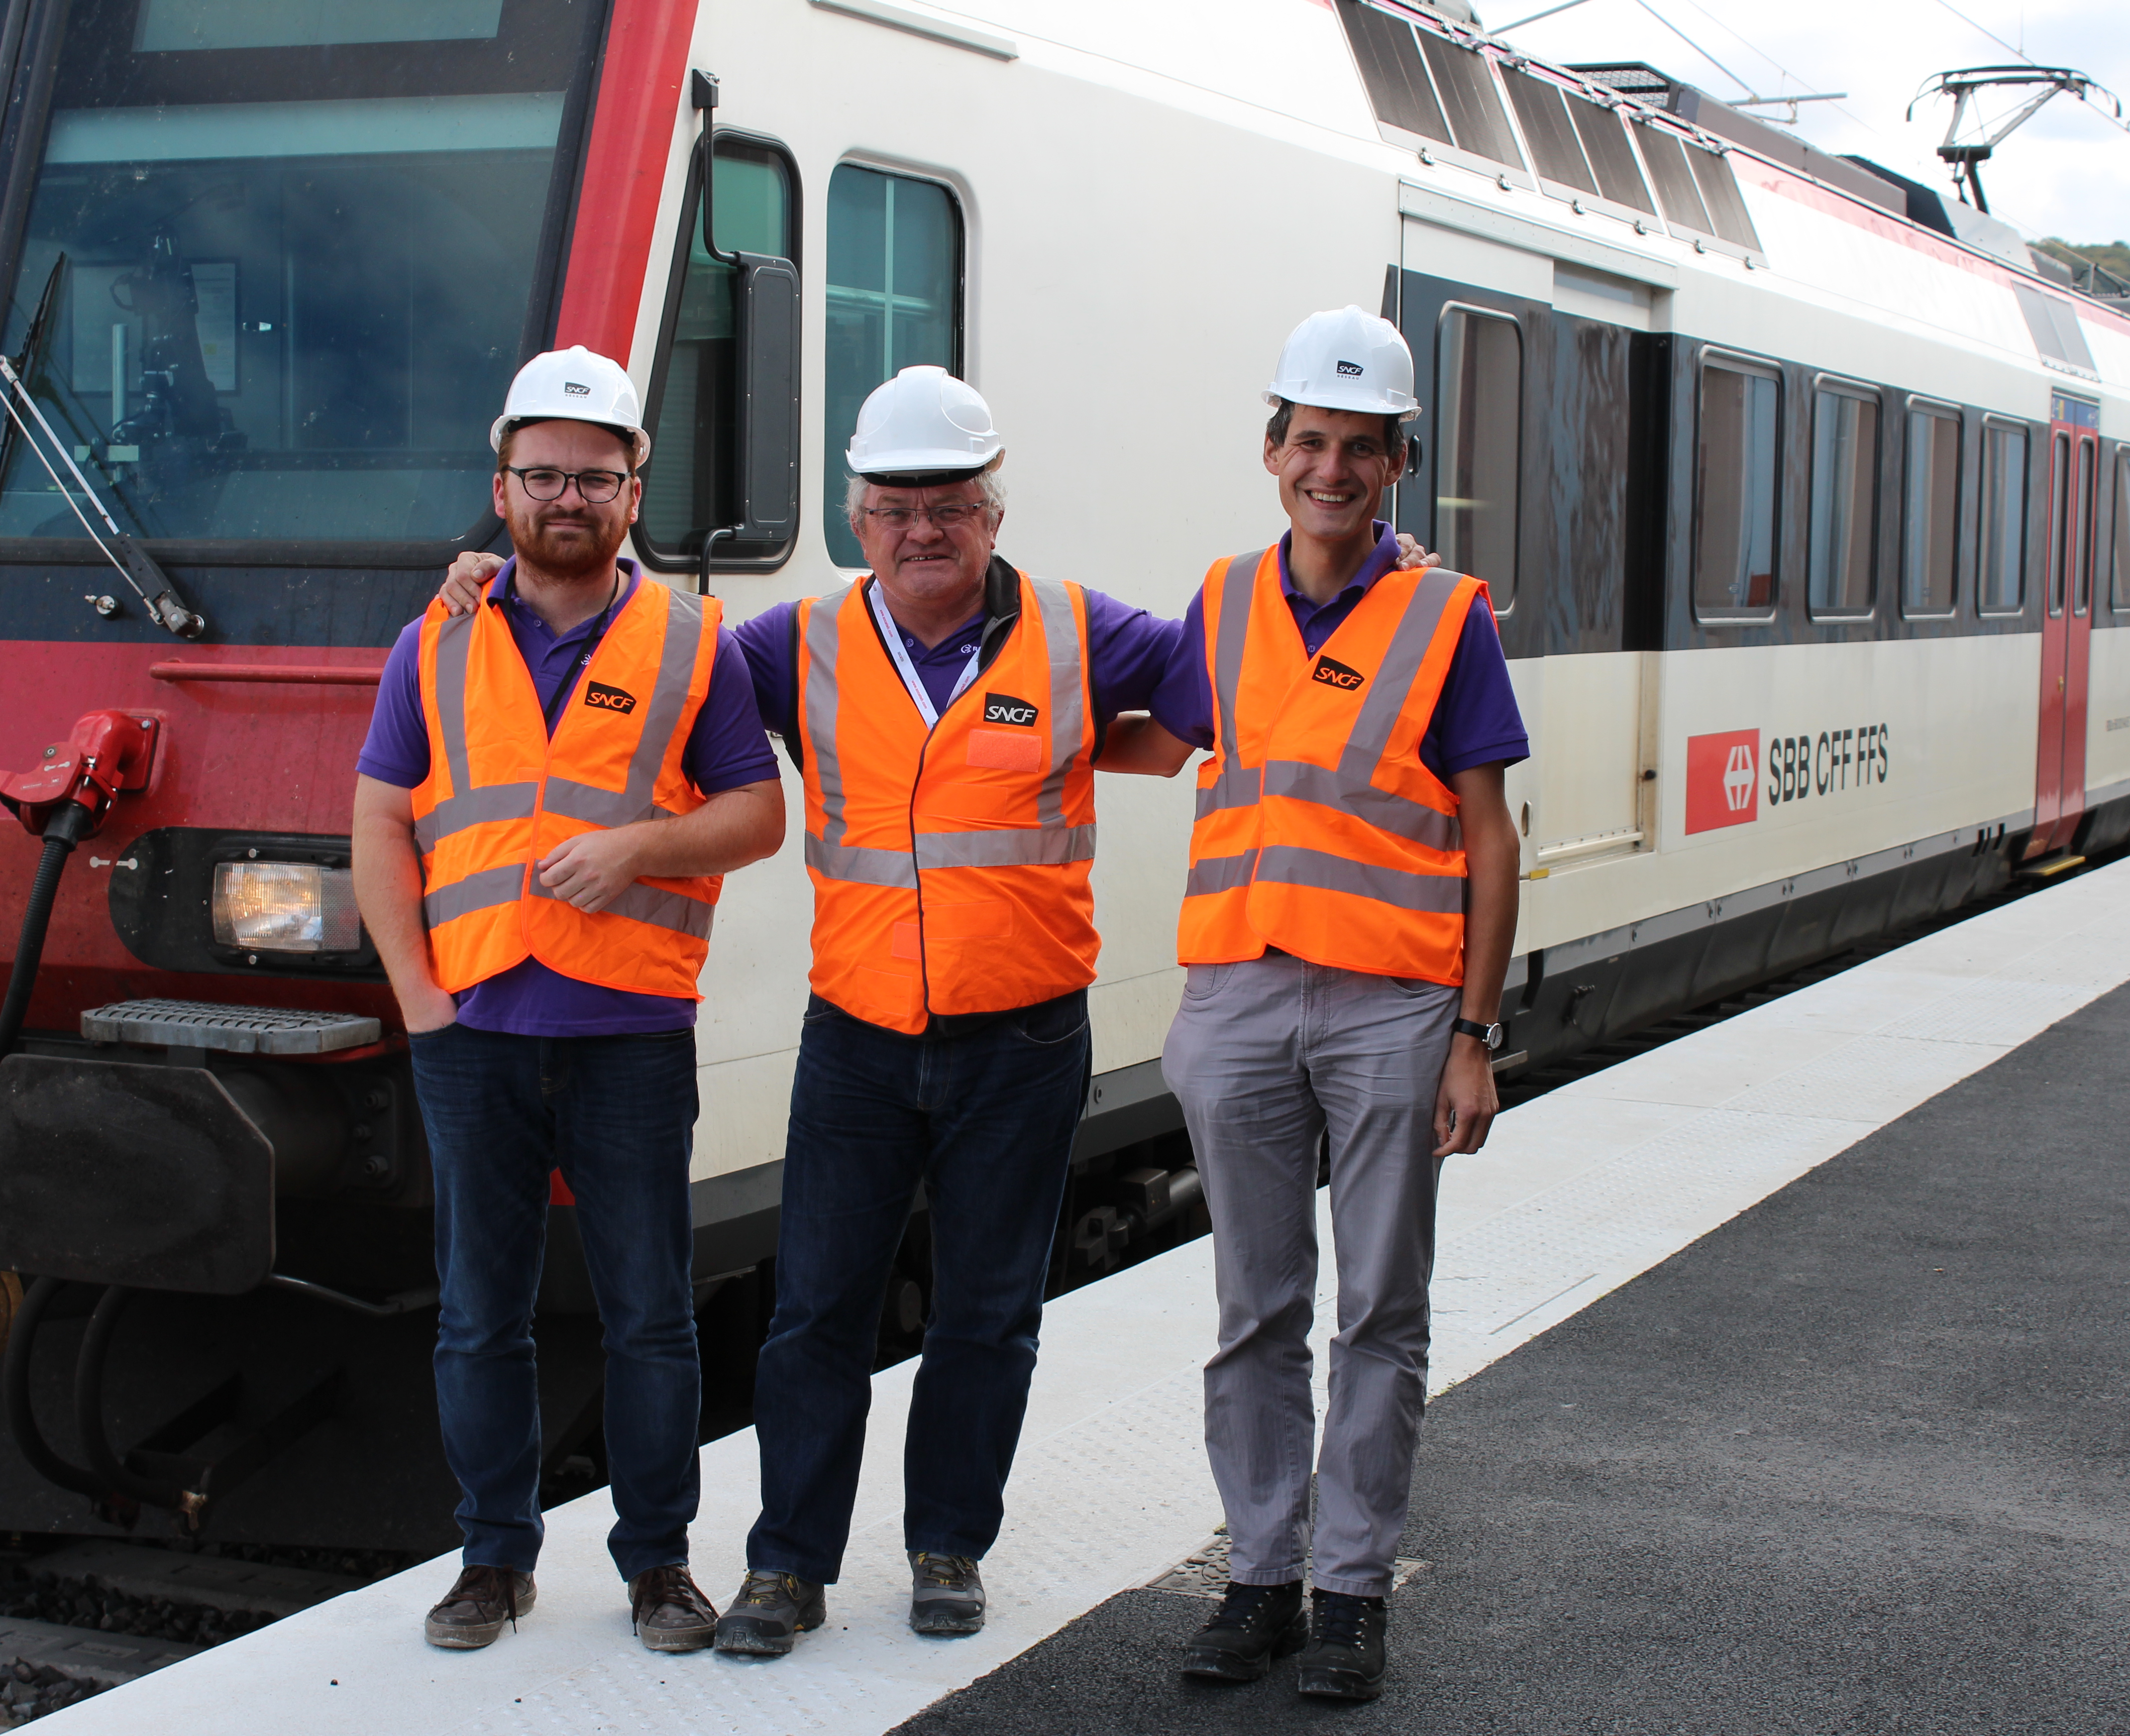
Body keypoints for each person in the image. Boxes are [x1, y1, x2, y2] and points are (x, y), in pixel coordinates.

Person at [433, 365, 1192, 1656]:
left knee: (989, 1315)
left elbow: (1225, 693)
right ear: (857, 523)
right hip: (858, 1035)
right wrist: (490, 586)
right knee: (814, 1317)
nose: (922, 530)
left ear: (994, 514)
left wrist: (1365, 570)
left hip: (1026, 1037)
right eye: (894, 507)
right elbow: (641, 658)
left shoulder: (1081, 632)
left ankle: (948, 1546)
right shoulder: (791, 645)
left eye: (949, 503)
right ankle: (787, 1568)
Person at [1102, 308, 1528, 1701]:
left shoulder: (1447, 618)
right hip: (1238, 997)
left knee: (1379, 1311)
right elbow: (1155, 747)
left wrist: (1476, 1033)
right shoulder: (1222, 604)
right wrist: (968, 723)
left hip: (1396, 1010)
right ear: (1272, 450)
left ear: (1394, 463)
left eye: (1358, 447)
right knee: (1253, 1307)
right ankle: (1262, 1579)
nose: (1329, 469)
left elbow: (1490, 835)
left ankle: (1351, 1594)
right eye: (1309, 442)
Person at [352, 346, 787, 1656]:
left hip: (629, 1028)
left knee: (651, 1310)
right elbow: (380, 819)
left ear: (633, 493)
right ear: (504, 488)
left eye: (595, 477)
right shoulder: (437, 637)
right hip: (472, 1030)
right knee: (479, 1312)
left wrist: (637, 852)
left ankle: (659, 1565)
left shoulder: (695, 641)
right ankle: (493, 1559)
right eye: (543, 475)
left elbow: (758, 813)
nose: (567, 497)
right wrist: (418, 998)